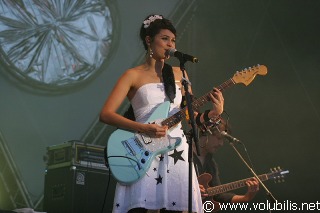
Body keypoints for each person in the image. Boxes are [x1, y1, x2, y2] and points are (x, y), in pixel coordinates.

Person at [99, 14, 225, 213]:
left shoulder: (179, 74)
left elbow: (190, 115)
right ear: (149, 40)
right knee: (150, 207)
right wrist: (142, 127)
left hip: (177, 148)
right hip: (145, 148)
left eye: (173, 40)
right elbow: (106, 114)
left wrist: (214, 113)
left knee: (182, 206)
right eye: (164, 38)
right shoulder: (132, 75)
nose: (170, 44)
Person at [192, 119, 259, 210]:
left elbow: (219, 196)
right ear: (206, 133)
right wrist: (189, 188)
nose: (221, 144)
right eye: (219, 138)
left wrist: (246, 197)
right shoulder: (183, 156)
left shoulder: (211, 164)